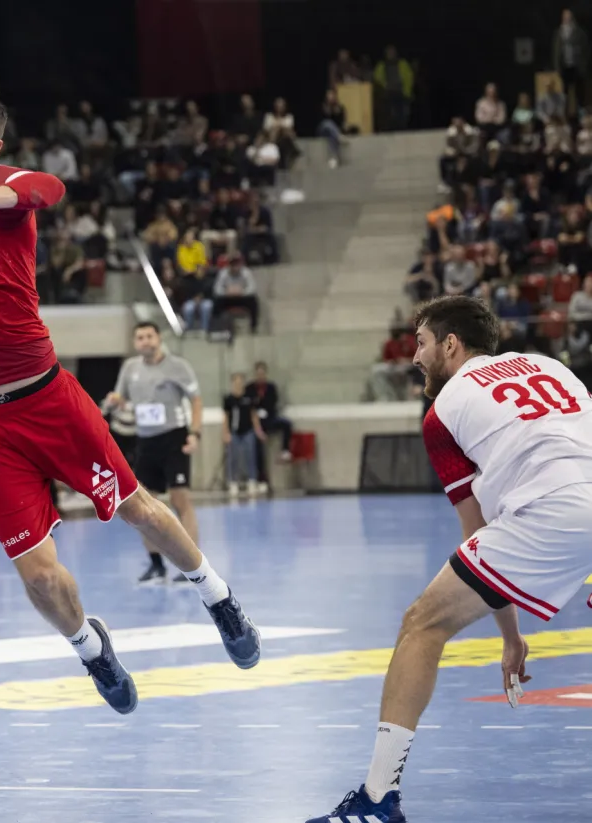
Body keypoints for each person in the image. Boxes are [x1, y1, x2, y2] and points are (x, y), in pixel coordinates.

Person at [0, 46, 260, 714]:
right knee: (36, 575)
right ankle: (91, 648)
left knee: (139, 506)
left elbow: (48, 189)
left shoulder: (2, 194)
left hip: (43, 398)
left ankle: (218, 597)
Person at [307, 295, 592, 822]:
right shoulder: (551, 366)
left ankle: (377, 802)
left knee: (422, 624)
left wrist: (510, 636)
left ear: (451, 344)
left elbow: (477, 533)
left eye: (421, 343)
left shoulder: (443, 412)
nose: (414, 357)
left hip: (548, 512)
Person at [104, 322, 203, 584]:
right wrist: (114, 401)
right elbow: (120, 396)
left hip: (174, 438)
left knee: (181, 500)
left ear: (158, 338)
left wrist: (195, 433)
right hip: (146, 441)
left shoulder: (178, 366)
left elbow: (196, 399)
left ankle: (192, 565)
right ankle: (156, 565)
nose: (145, 341)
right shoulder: (130, 368)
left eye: (149, 336)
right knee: (143, 506)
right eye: (139, 337)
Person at [250, 362, 293, 488]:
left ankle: (285, 451)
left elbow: (272, 404)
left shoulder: (271, 387)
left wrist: (263, 408)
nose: (260, 375)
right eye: (258, 373)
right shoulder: (250, 388)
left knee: (286, 424)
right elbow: (251, 407)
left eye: (262, 373)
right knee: (257, 444)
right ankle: (261, 477)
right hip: (256, 422)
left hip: (269, 418)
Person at [222, 373, 265, 496]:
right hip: (234, 432)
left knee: (250, 455)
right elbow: (226, 417)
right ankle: (233, 482)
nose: (238, 384)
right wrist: (225, 433)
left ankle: (251, 480)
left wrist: (258, 431)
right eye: (236, 382)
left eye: (240, 382)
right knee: (233, 458)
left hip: (248, 431)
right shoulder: (229, 399)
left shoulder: (249, 398)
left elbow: (253, 416)